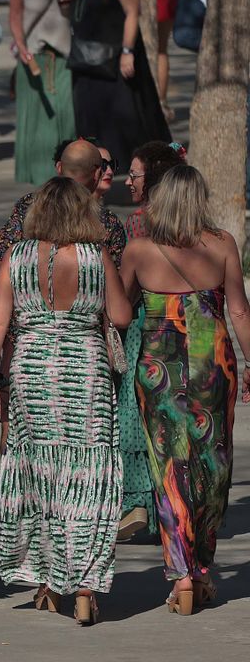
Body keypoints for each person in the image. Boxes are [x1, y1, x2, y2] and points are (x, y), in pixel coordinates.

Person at [0, 176, 130, 626]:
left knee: (41, 475)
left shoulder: (17, 255)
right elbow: (121, 315)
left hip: (31, 369)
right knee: (86, 476)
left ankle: (48, 579)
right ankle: (84, 585)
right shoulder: (96, 256)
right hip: (85, 371)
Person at [119, 166, 250, 615]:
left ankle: (181, 575)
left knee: (169, 466)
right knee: (213, 463)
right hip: (213, 360)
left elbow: (120, 311)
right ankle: (203, 566)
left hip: (159, 364)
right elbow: (239, 311)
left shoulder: (139, 250)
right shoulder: (223, 244)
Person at [111, 141, 186, 541]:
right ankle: (173, 504)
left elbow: (128, 292)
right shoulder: (192, 222)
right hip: (185, 328)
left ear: (153, 179)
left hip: (145, 325)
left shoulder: (139, 223)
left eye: (135, 174)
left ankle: (138, 501)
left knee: (137, 414)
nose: (128, 181)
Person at [67, 0, 169, 171]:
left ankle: (140, 167)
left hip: (113, 61)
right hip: (87, 63)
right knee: (90, 117)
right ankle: (96, 167)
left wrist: (127, 52)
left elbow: (132, 12)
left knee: (128, 116)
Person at [8, 0, 80, 185]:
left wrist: (75, 0)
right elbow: (15, 10)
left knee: (65, 118)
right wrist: (20, 45)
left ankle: (68, 180)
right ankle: (41, 184)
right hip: (33, 58)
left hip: (65, 58)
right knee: (36, 123)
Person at [0, 138, 128, 271]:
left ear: (59, 167)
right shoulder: (108, 222)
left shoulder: (30, 205)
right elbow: (118, 275)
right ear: (97, 174)